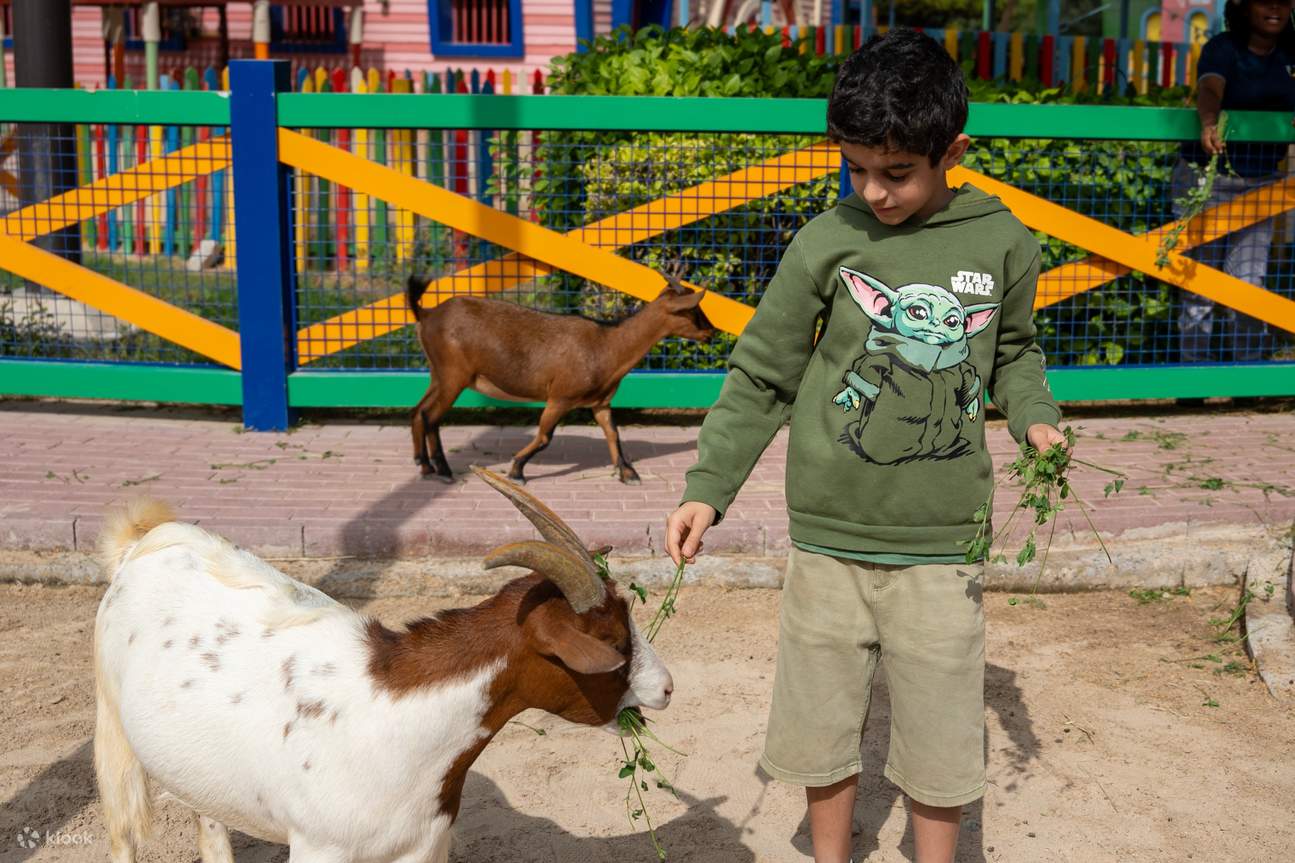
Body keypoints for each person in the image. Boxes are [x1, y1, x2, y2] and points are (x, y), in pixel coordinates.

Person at [663, 29, 1066, 863]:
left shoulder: (1001, 244)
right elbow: (762, 373)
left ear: (950, 150)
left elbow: (1016, 351)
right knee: (819, 715)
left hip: (939, 539)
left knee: (941, 723)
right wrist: (708, 486)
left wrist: (1033, 417)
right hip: (828, 532)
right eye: (855, 168)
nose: (873, 192)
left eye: (896, 172)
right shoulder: (824, 242)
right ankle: (830, 854)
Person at [1175, 0, 1295, 362]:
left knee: (1249, 284)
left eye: (1285, 0)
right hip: (1207, 180)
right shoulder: (1223, 48)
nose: (1276, 7)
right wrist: (1209, 123)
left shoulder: (1291, 52)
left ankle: (1246, 376)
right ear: (1244, 8)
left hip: (1261, 184)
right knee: (1199, 286)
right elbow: (1210, 88)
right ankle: (1192, 382)